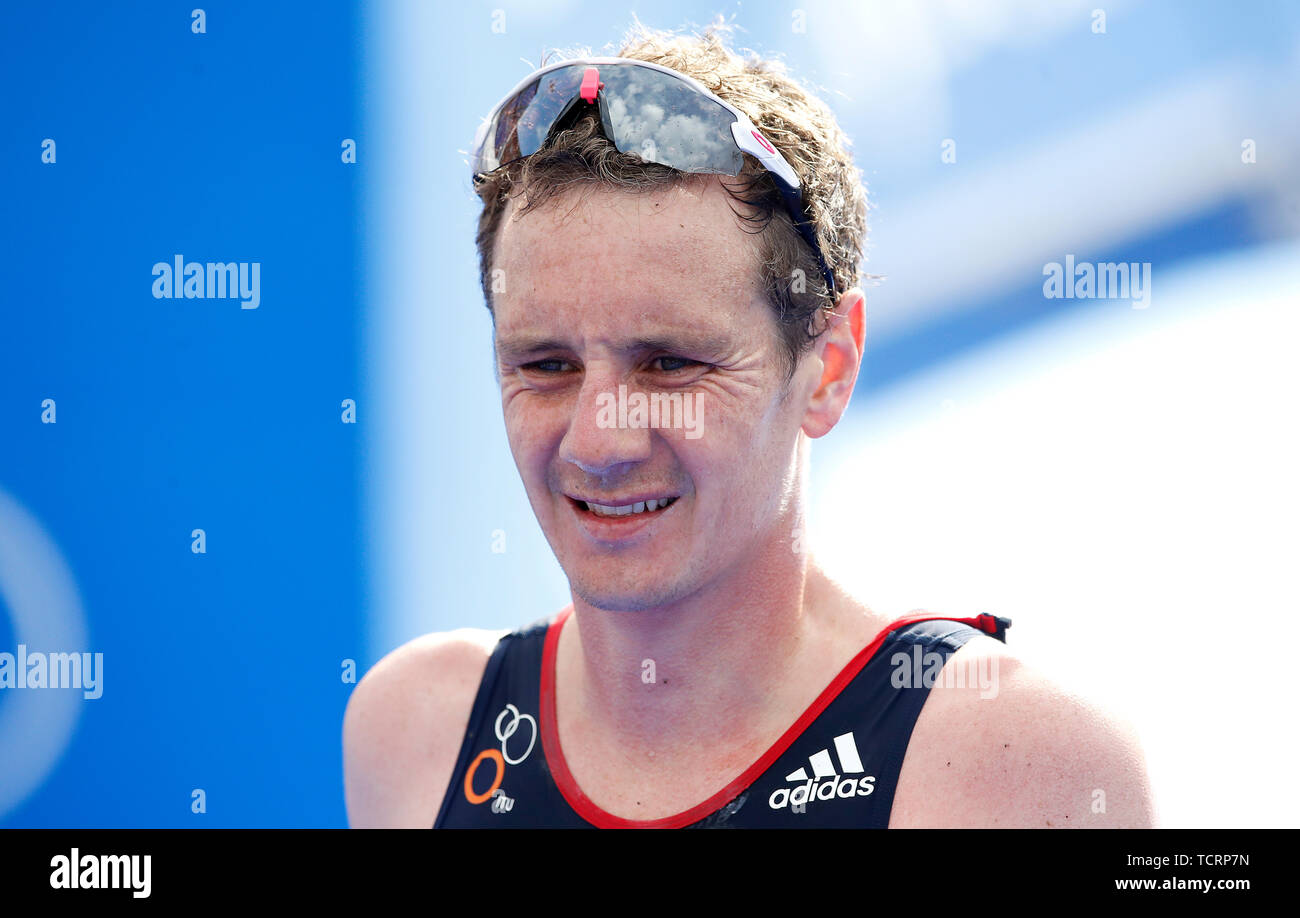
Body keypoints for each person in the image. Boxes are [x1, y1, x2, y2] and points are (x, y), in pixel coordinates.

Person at [343, 22, 1156, 828]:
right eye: (545, 366)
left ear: (829, 368)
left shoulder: (1012, 763)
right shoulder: (420, 729)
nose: (598, 442)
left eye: (670, 363)